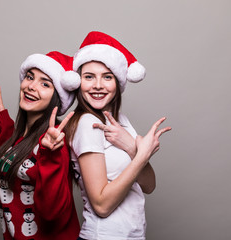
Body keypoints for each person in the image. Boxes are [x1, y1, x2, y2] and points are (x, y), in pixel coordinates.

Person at [64, 31, 172, 240]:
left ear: (118, 83)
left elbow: (149, 185)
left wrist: (131, 147)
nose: (97, 85)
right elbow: (101, 205)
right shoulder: (87, 123)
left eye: (107, 77)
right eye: (89, 77)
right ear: (79, 82)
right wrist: (142, 154)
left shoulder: (121, 121)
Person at [0, 51, 81, 240]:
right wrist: (5, 126)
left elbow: (52, 212)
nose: (31, 86)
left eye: (45, 84)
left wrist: (50, 155)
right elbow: (9, 162)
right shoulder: (20, 136)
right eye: (30, 77)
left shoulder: (53, 143)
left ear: (56, 98)